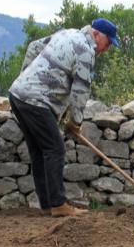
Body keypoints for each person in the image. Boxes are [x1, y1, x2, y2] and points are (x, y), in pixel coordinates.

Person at [8, 18, 120, 217]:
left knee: (39, 151)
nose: (107, 48)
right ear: (96, 35)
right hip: (36, 101)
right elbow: (80, 91)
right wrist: (75, 123)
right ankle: (59, 204)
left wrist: (25, 77)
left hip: (18, 95)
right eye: (108, 42)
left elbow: (34, 47)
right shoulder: (86, 51)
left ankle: (48, 204)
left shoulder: (66, 33)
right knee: (55, 148)